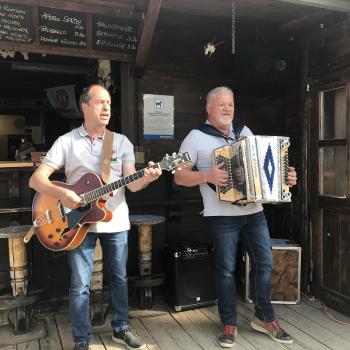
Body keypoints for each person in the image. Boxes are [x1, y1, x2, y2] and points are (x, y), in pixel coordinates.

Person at [29, 84, 161, 350]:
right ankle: (81, 340)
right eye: (100, 103)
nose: (106, 108)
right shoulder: (67, 141)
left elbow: (131, 184)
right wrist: (62, 194)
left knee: (120, 278)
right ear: (85, 107)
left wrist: (147, 178)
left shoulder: (120, 141)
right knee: (80, 285)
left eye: (109, 104)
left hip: (116, 220)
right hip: (77, 223)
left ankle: (121, 329)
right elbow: (36, 180)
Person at [174, 86, 297, 348]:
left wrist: (285, 177)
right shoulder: (195, 137)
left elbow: (265, 166)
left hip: (254, 212)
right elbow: (178, 175)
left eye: (230, 104)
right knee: (226, 270)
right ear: (208, 108)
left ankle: (264, 317)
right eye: (221, 105)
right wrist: (206, 176)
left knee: (265, 264)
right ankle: (229, 323)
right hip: (222, 215)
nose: (227, 109)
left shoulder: (244, 132)